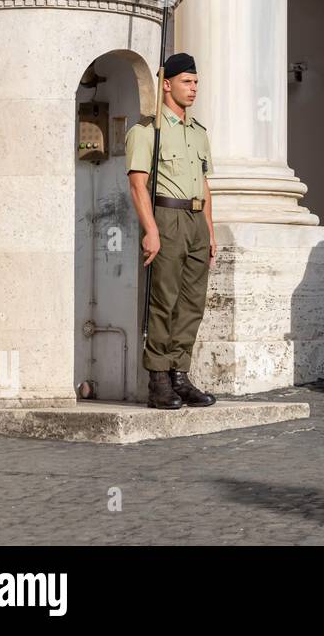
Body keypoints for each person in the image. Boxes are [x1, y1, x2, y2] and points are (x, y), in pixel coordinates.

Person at [126, 52, 217, 410]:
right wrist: (150, 230)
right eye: (186, 82)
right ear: (167, 85)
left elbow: (206, 184)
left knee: (192, 303)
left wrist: (209, 231)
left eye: (196, 83)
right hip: (166, 217)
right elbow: (137, 185)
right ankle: (159, 380)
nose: (193, 89)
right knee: (163, 301)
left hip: (195, 221)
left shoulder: (199, 133)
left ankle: (180, 374)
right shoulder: (147, 132)